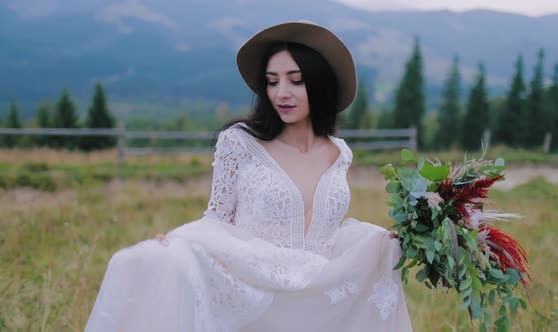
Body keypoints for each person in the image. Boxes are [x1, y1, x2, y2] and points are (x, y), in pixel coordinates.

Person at [85, 21, 412, 332]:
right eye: (272, 81)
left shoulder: (340, 153)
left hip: (318, 305)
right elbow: (217, 220)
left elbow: (329, 231)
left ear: (319, 83)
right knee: (144, 263)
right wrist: (179, 242)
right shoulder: (240, 142)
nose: (281, 92)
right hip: (255, 300)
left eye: (295, 80)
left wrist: (380, 243)